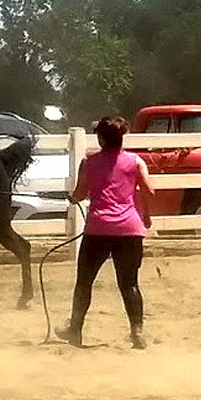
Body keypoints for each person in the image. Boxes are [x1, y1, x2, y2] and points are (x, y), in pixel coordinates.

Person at [56, 116, 156, 349]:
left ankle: (75, 330)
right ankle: (137, 332)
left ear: (101, 138)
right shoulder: (135, 161)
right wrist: (147, 218)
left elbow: (80, 193)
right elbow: (149, 192)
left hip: (99, 229)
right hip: (130, 229)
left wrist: (71, 198)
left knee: (84, 282)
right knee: (129, 284)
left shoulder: (88, 162)